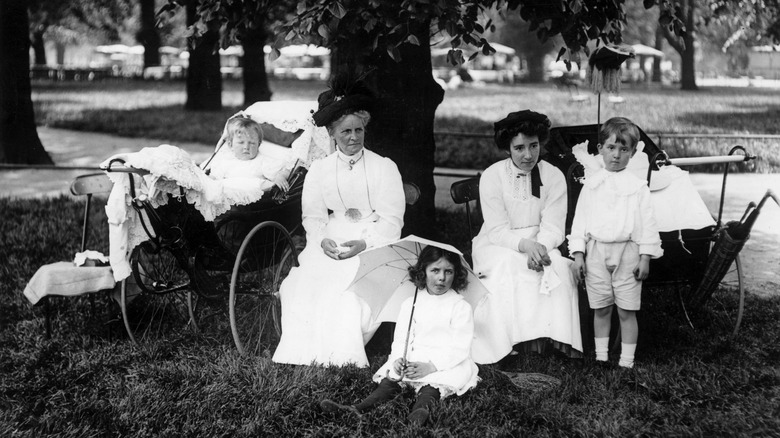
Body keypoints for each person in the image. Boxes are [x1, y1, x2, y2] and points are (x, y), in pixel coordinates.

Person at [272, 76, 406, 367]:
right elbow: (313, 216)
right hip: (333, 236)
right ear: (332, 134)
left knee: (347, 289)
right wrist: (322, 239)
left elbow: (392, 221)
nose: (353, 138)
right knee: (303, 283)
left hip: (374, 238)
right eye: (346, 131)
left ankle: (342, 356)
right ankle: (302, 354)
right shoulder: (320, 170)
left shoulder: (384, 167)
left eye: (359, 130)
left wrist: (366, 242)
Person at [320, 246, 479, 425]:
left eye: (448, 271)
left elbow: (459, 347)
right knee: (390, 382)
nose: (441, 277)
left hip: (445, 361)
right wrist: (398, 358)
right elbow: (401, 338)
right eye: (435, 270)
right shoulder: (410, 304)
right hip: (414, 356)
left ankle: (419, 413)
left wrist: (432, 366)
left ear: (456, 275)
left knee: (431, 388)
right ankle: (358, 408)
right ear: (423, 272)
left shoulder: (459, 306)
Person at [471, 109, 582, 364]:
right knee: (507, 265)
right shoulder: (493, 175)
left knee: (558, 267)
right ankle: (506, 344)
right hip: (498, 242)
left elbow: (555, 225)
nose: (528, 155)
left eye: (533, 146)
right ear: (508, 148)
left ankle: (551, 339)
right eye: (519, 148)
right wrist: (525, 246)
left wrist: (540, 248)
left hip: (542, 239)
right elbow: (497, 229)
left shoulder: (553, 175)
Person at [568, 117, 663, 369]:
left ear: (633, 153)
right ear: (600, 150)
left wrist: (645, 257)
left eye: (624, 150)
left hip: (628, 252)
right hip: (596, 251)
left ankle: (627, 361)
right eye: (611, 148)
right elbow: (580, 222)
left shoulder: (638, 187)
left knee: (626, 310)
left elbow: (648, 224)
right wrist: (578, 254)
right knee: (601, 308)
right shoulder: (592, 185)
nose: (617, 155)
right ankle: (601, 357)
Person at [207, 115, 290, 192]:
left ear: (258, 144)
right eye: (241, 142)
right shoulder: (225, 161)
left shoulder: (262, 162)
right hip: (229, 197)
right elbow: (213, 178)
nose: (246, 147)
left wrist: (281, 176)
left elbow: (286, 170)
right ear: (230, 144)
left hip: (253, 200)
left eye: (252, 143)